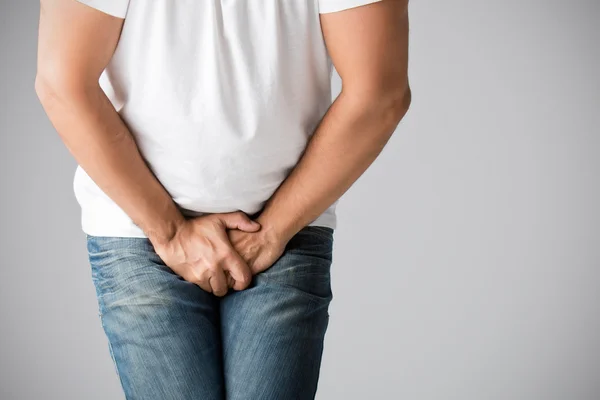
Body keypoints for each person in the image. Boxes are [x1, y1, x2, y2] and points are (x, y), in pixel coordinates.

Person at [35, 0, 411, 398]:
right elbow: (62, 85)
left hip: (284, 233)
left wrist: (272, 233)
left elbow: (379, 94)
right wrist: (171, 233)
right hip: (141, 230)